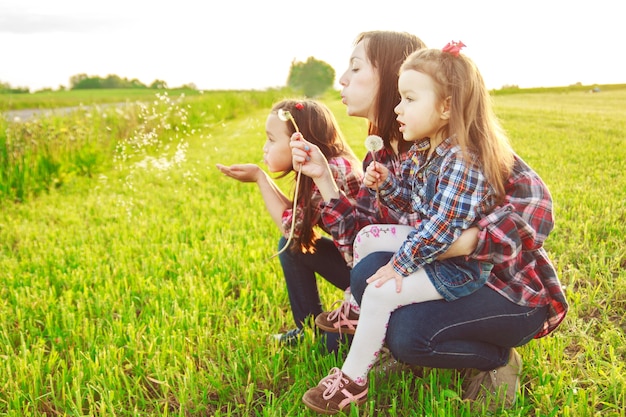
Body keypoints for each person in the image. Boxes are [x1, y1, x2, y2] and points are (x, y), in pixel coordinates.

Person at [306, 43, 569, 414]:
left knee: (382, 293)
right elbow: (416, 211)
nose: (399, 108)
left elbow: (442, 228)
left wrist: (399, 265)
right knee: (369, 250)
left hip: (481, 277)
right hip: (443, 251)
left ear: (446, 107)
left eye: (409, 98)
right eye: (399, 98)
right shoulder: (422, 150)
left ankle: (353, 382)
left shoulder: (464, 158)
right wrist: (387, 187)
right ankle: (355, 310)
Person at [216, 99, 363, 346]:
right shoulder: (326, 163)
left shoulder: (331, 170)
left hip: (367, 275)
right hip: (354, 262)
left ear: (299, 141)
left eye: (272, 140)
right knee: (293, 247)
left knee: (332, 349)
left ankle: (319, 329)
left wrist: (260, 179)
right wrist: (261, 176)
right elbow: (299, 218)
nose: (265, 148)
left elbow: (291, 228)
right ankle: (306, 329)